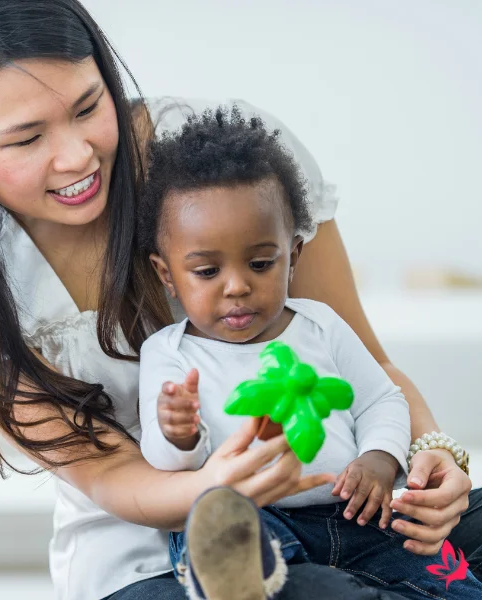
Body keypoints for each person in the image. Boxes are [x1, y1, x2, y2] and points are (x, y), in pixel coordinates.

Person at [0, 1, 480, 598]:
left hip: (349, 507)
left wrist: (434, 458)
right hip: (145, 551)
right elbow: (110, 475)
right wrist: (220, 486)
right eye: (26, 138)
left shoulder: (235, 165)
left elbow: (368, 368)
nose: (76, 156)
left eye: (88, 106)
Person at [137, 106, 481, 599]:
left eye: (260, 263)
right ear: (166, 274)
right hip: (258, 516)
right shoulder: (169, 353)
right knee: (221, 526)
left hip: (361, 516)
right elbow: (165, 464)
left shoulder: (320, 325)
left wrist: (380, 460)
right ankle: (245, 579)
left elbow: (382, 400)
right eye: (207, 272)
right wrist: (178, 433)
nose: (237, 286)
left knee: (452, 583)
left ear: (292, 255)